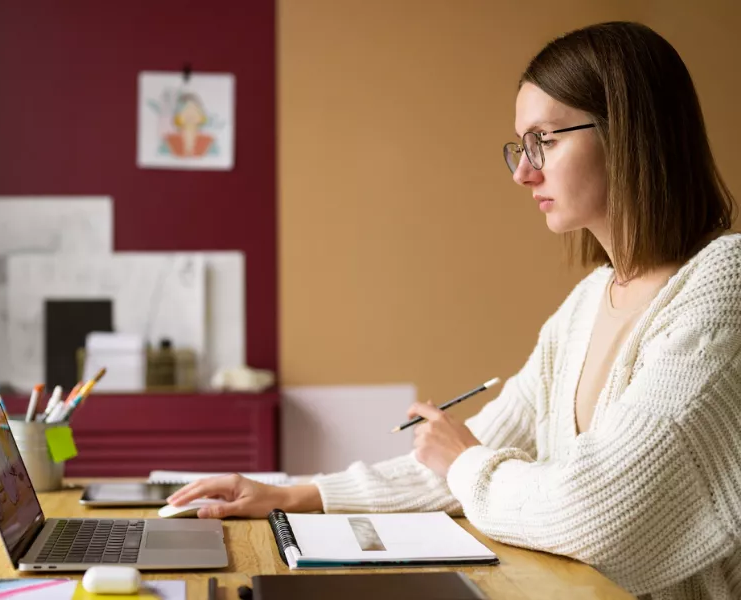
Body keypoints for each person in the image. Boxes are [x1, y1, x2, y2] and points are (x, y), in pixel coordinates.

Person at [167, 22, 740, 600]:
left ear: (630, 132)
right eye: (521, 145)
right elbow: (467, 455)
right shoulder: (589, 301)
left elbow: (592, 512)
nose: (523, 171)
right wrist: (296, 495)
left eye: (545, 139)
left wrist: (465, 461)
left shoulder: (723, 285)